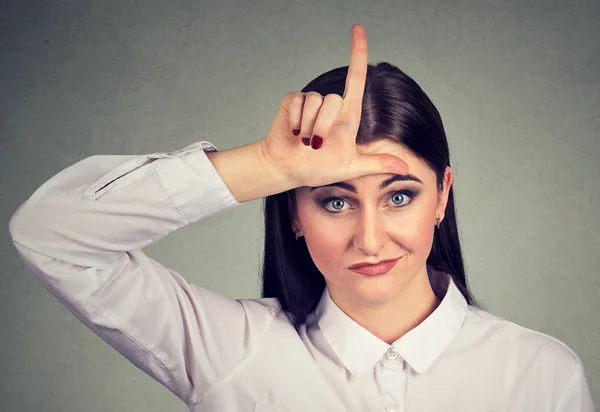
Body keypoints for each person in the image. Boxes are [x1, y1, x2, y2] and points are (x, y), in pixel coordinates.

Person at [8, 24, 594, 412]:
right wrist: (265, 165)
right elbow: (52, 235)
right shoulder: (230, 350)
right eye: (335, 201)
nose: (369, 238)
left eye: (399, 196)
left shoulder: (540, 376)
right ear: (293, 211)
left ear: (442, 196)